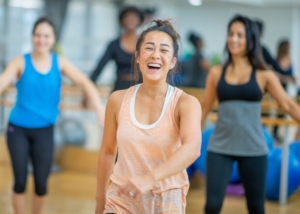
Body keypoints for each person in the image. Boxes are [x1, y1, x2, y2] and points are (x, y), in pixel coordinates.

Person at [0, 17, 105, 214]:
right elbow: (3, 81)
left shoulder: (59, 63)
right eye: (38, 35)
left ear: (53, 38)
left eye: (46, 36)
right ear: (32, 37)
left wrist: (99, 108)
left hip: (45, 130)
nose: (41, 39)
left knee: (41, 184)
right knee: (20, 181)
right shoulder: (20, 61)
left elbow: (85, 83)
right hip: (18, 129)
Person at [95, 20, 201, 214]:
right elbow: (108, 152)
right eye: (149, 48)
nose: (155, 55)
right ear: (137, 56)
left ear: (173, 61)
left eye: (164, 50)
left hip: (166, 202)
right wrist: (100, 202)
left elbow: (192, 148)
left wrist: (149, 179)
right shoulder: (117, 100)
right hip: (120, 202)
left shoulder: (186, 103)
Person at [201, 15, 300, 214]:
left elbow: (288, 105)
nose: (234, 39)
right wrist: (184, 139)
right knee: (212, 206)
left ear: (252, 40)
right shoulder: (216, 72)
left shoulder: (264, 74)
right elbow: (204, 108)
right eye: (231, 34)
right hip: (220, 146)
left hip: (254, 148)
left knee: (256, 207)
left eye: (240, 35)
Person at [90, 5, 144, 92]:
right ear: (121, 20)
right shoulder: (114, 44)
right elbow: (99, 67)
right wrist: (88, 88)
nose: (130, 19)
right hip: (120, 88)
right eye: (127, 17)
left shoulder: (146, 44)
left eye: (134, 17)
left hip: (142, 87)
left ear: (140, 20)